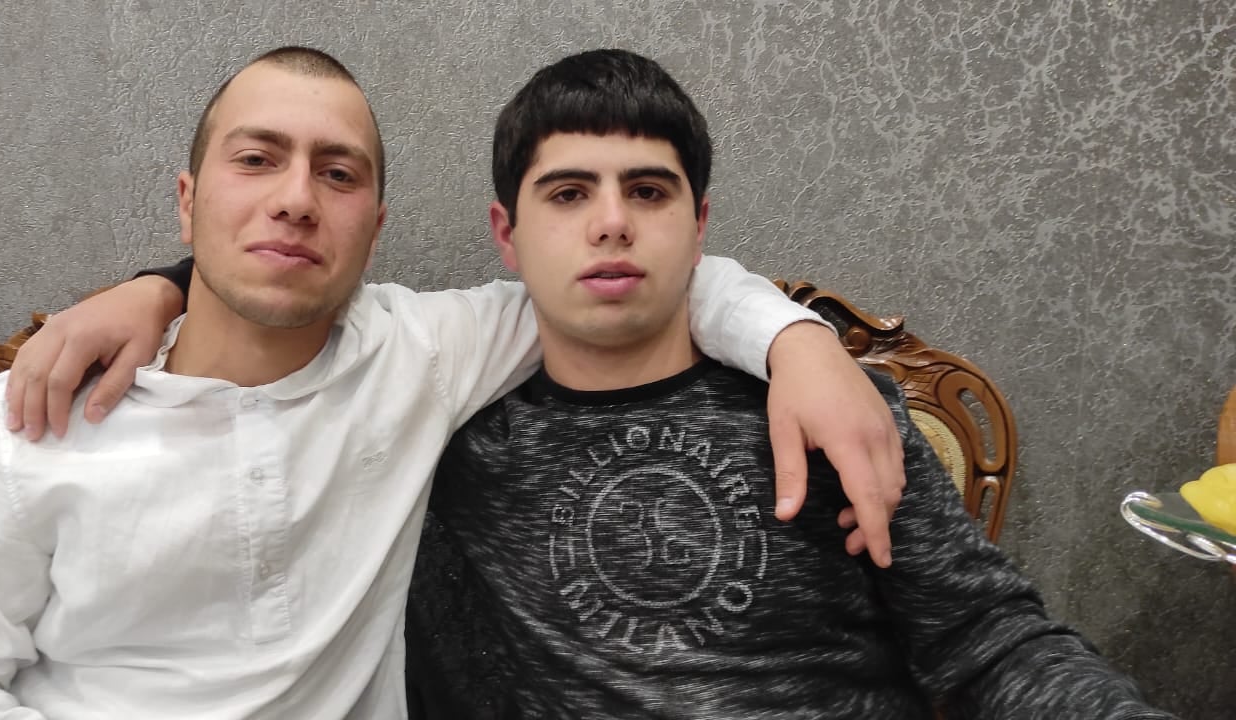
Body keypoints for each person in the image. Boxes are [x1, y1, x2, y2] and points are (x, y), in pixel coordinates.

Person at [0, 47, 904, 719]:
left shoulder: (423, 353)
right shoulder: (27, 417)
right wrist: (158, 287)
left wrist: (800, 346)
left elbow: (636, 274)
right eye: (256, 160)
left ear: (374, 226)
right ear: (186, 202)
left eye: (337, 173)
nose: (295, 199)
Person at [402, 49, 1172, 719]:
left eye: (648, 191)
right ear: (508, 234)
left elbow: (989, 642)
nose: (612, 223)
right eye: (569, 193)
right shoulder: (455, 447)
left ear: (700, 226)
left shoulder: (830, 410)